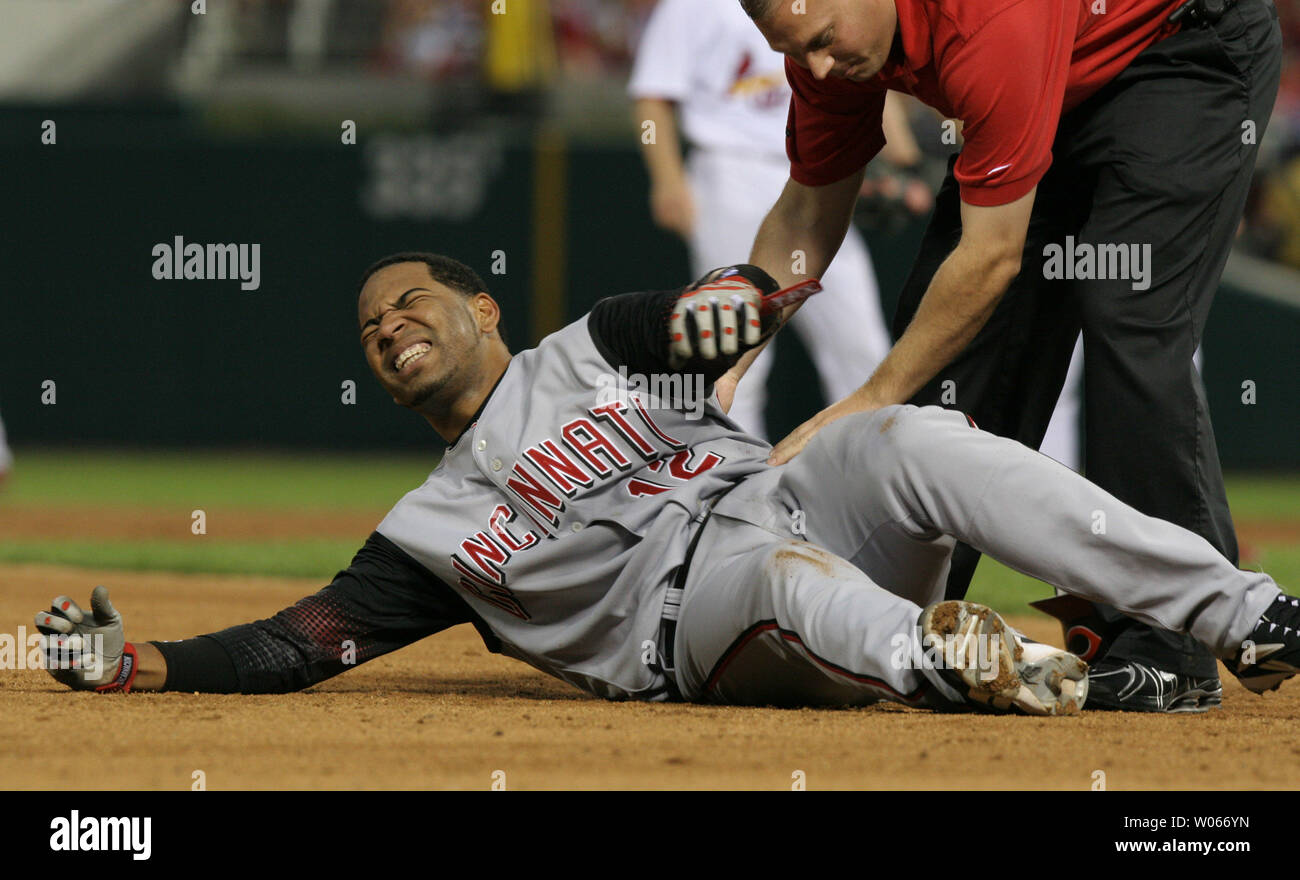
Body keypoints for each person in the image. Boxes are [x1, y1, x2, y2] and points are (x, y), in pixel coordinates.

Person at [34, 254, 1299, 715]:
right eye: (370, 330)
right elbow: (296, 642)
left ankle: (1244, 615)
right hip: (690, 615)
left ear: (480, 309)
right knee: (779, 580)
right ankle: (973, 666)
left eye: (405, 300)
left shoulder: (585, 346)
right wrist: (138, 661)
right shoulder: (426, 534)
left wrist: (728, 313)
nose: (386, 326)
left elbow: (697, 315)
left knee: (906, 439)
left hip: (792, 501)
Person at [733, 0, 1284, 712]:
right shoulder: (833, 44)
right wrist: (728, 357)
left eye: (823, 44)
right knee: (954, 363)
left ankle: (1170, 645)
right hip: (1058, 75)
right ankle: (884, 624)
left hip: (1184, 52)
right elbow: (807, 213)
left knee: (1127, 310)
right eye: (795, 51)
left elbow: (992, 257)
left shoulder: (987, 19)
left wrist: (870, 399)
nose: (814, 67)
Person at [629, 0, 929, 438]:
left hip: (817, 173)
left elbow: (862, 76)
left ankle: (876, 472)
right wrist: (667, 180)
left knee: (862, 346)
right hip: (731, 167)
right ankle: (728, 482)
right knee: (733, 352)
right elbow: (653, 93)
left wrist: (901, 162)